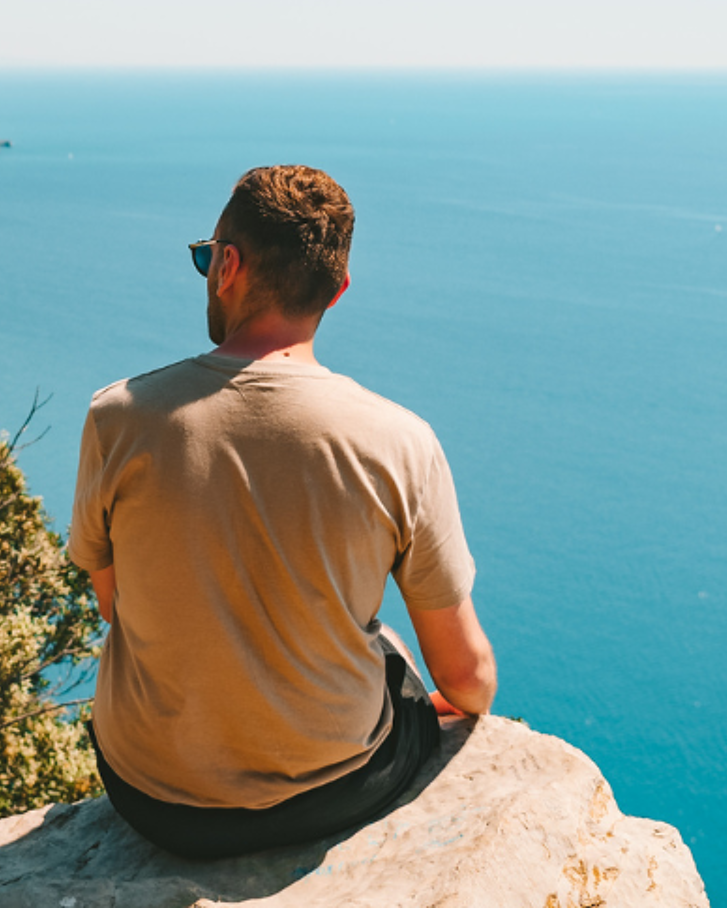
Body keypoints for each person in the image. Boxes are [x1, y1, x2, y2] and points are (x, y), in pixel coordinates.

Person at [68, 164, 497, 861]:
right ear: (339, 289)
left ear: (229, 265)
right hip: (333, 790)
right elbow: (469, 682)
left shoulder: (117, 416)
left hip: (148, 795)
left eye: (205, 258)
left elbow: (115, 606)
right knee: (389, 646)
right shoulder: (399, 441)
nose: (207, 272)